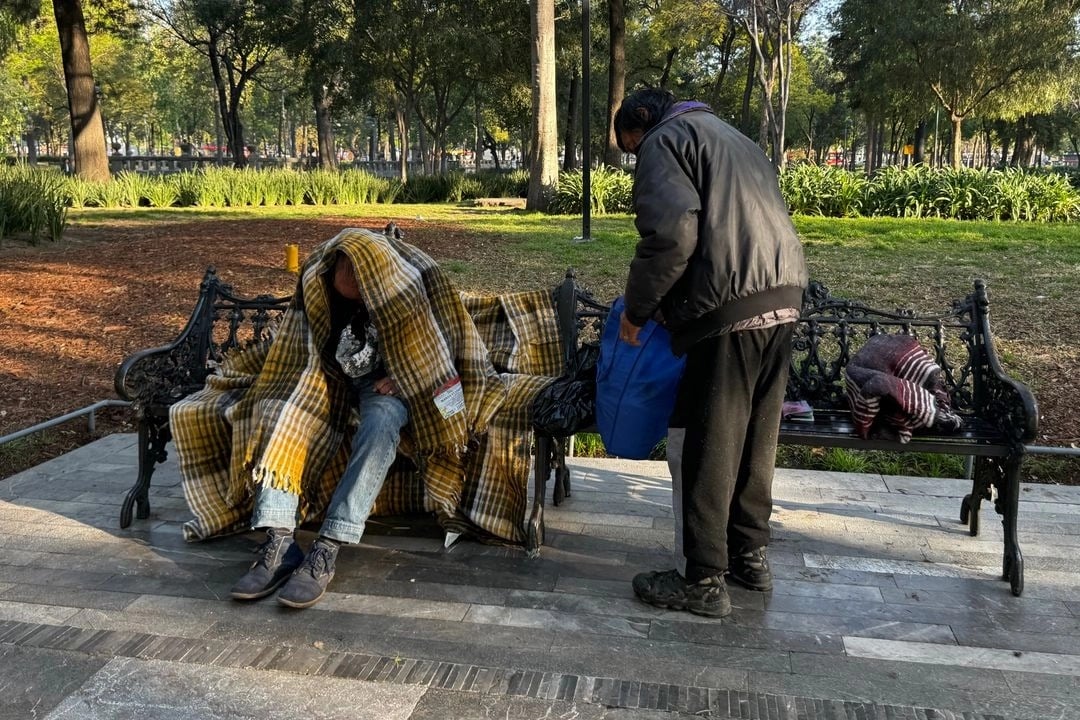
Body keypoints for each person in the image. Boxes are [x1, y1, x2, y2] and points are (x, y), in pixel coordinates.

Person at [613, 88, 809, 618]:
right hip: (784, 295)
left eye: (629, 149)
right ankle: (750, 556)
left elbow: (672, 235)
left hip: (728, 305)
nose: (635, 158)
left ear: (641, 122)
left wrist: (637, 310)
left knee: (711, 443)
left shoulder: (665, 140)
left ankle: (702, 578)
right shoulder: (736, 138)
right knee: (754, 440)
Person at [229, 250, 407, 609]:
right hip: (330, 377)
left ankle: (328, 546)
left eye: (361, 293)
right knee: (281, 409)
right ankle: (280, 543)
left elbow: (436, 347)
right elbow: (300, 345)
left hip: (387, 382)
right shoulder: (318, 282)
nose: (353, 299)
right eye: (345, 292)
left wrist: (406, 374)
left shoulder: (406, 287)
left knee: (383, 421)